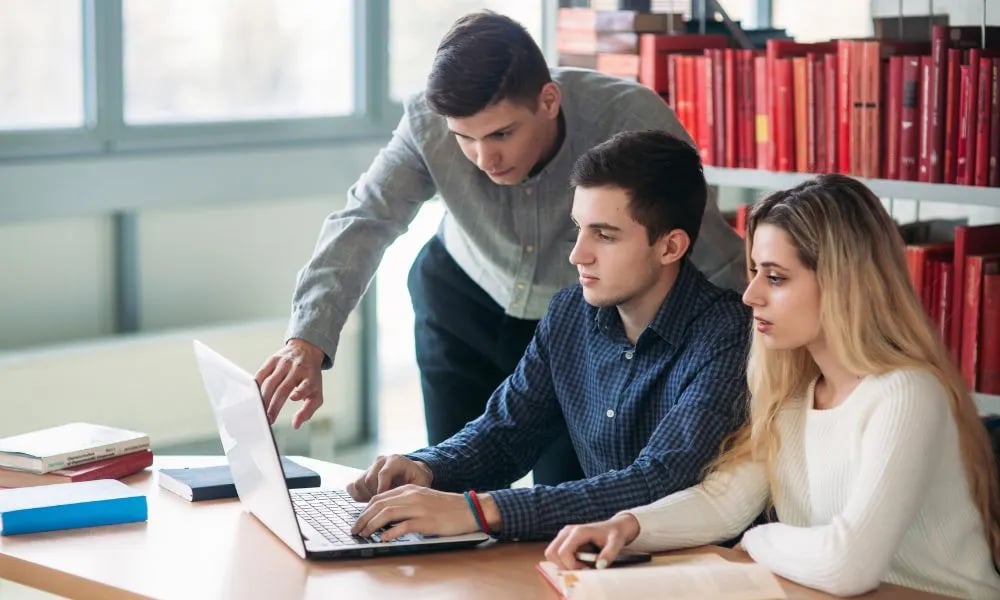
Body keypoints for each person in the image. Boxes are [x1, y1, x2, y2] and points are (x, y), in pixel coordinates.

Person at [253, 11, 745, 486]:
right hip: (460, 303)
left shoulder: (630, 118)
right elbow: (366, 218)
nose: (484, 158)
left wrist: (764, 351)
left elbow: (704, 247)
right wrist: (308, 339)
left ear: (548, 100)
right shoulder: (427, 121)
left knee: (565, 495)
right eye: (464, 139)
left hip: (574, 326)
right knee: (443, 479)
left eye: (502, 134)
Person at [545, 174, 1000, 599]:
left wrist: (757, 538)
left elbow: (848, 565)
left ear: (844, 285)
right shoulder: (794, 396)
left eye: (776, 278)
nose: (751, 295)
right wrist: (624, 527)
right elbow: (724, 502)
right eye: (755, 272)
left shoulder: (905, 393)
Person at [344, 130, 750, 543]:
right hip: (600, 564)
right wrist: (426, 468)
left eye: (605, 235)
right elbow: (505, 434)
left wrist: (480, 511)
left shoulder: (729, 337)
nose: (578, 254)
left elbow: (656, 484)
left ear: (670, 247)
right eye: (579, 229)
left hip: (699, 572)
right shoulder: (570, 313)